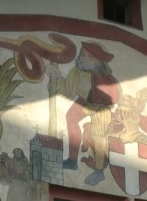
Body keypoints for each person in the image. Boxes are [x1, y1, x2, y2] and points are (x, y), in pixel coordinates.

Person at [48, 41, 120, 186]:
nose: (82, 58)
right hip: (85, 101)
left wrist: (93, 90)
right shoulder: (78, 71)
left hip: (101, 106)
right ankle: (72, 160)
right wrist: (55, 77)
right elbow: (67, 91)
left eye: (87, 56)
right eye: (82, 54)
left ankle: (99, 171)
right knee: (70, 118)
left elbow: (113, 97)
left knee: (98, 135)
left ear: (96, 61)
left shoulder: (107, 78)